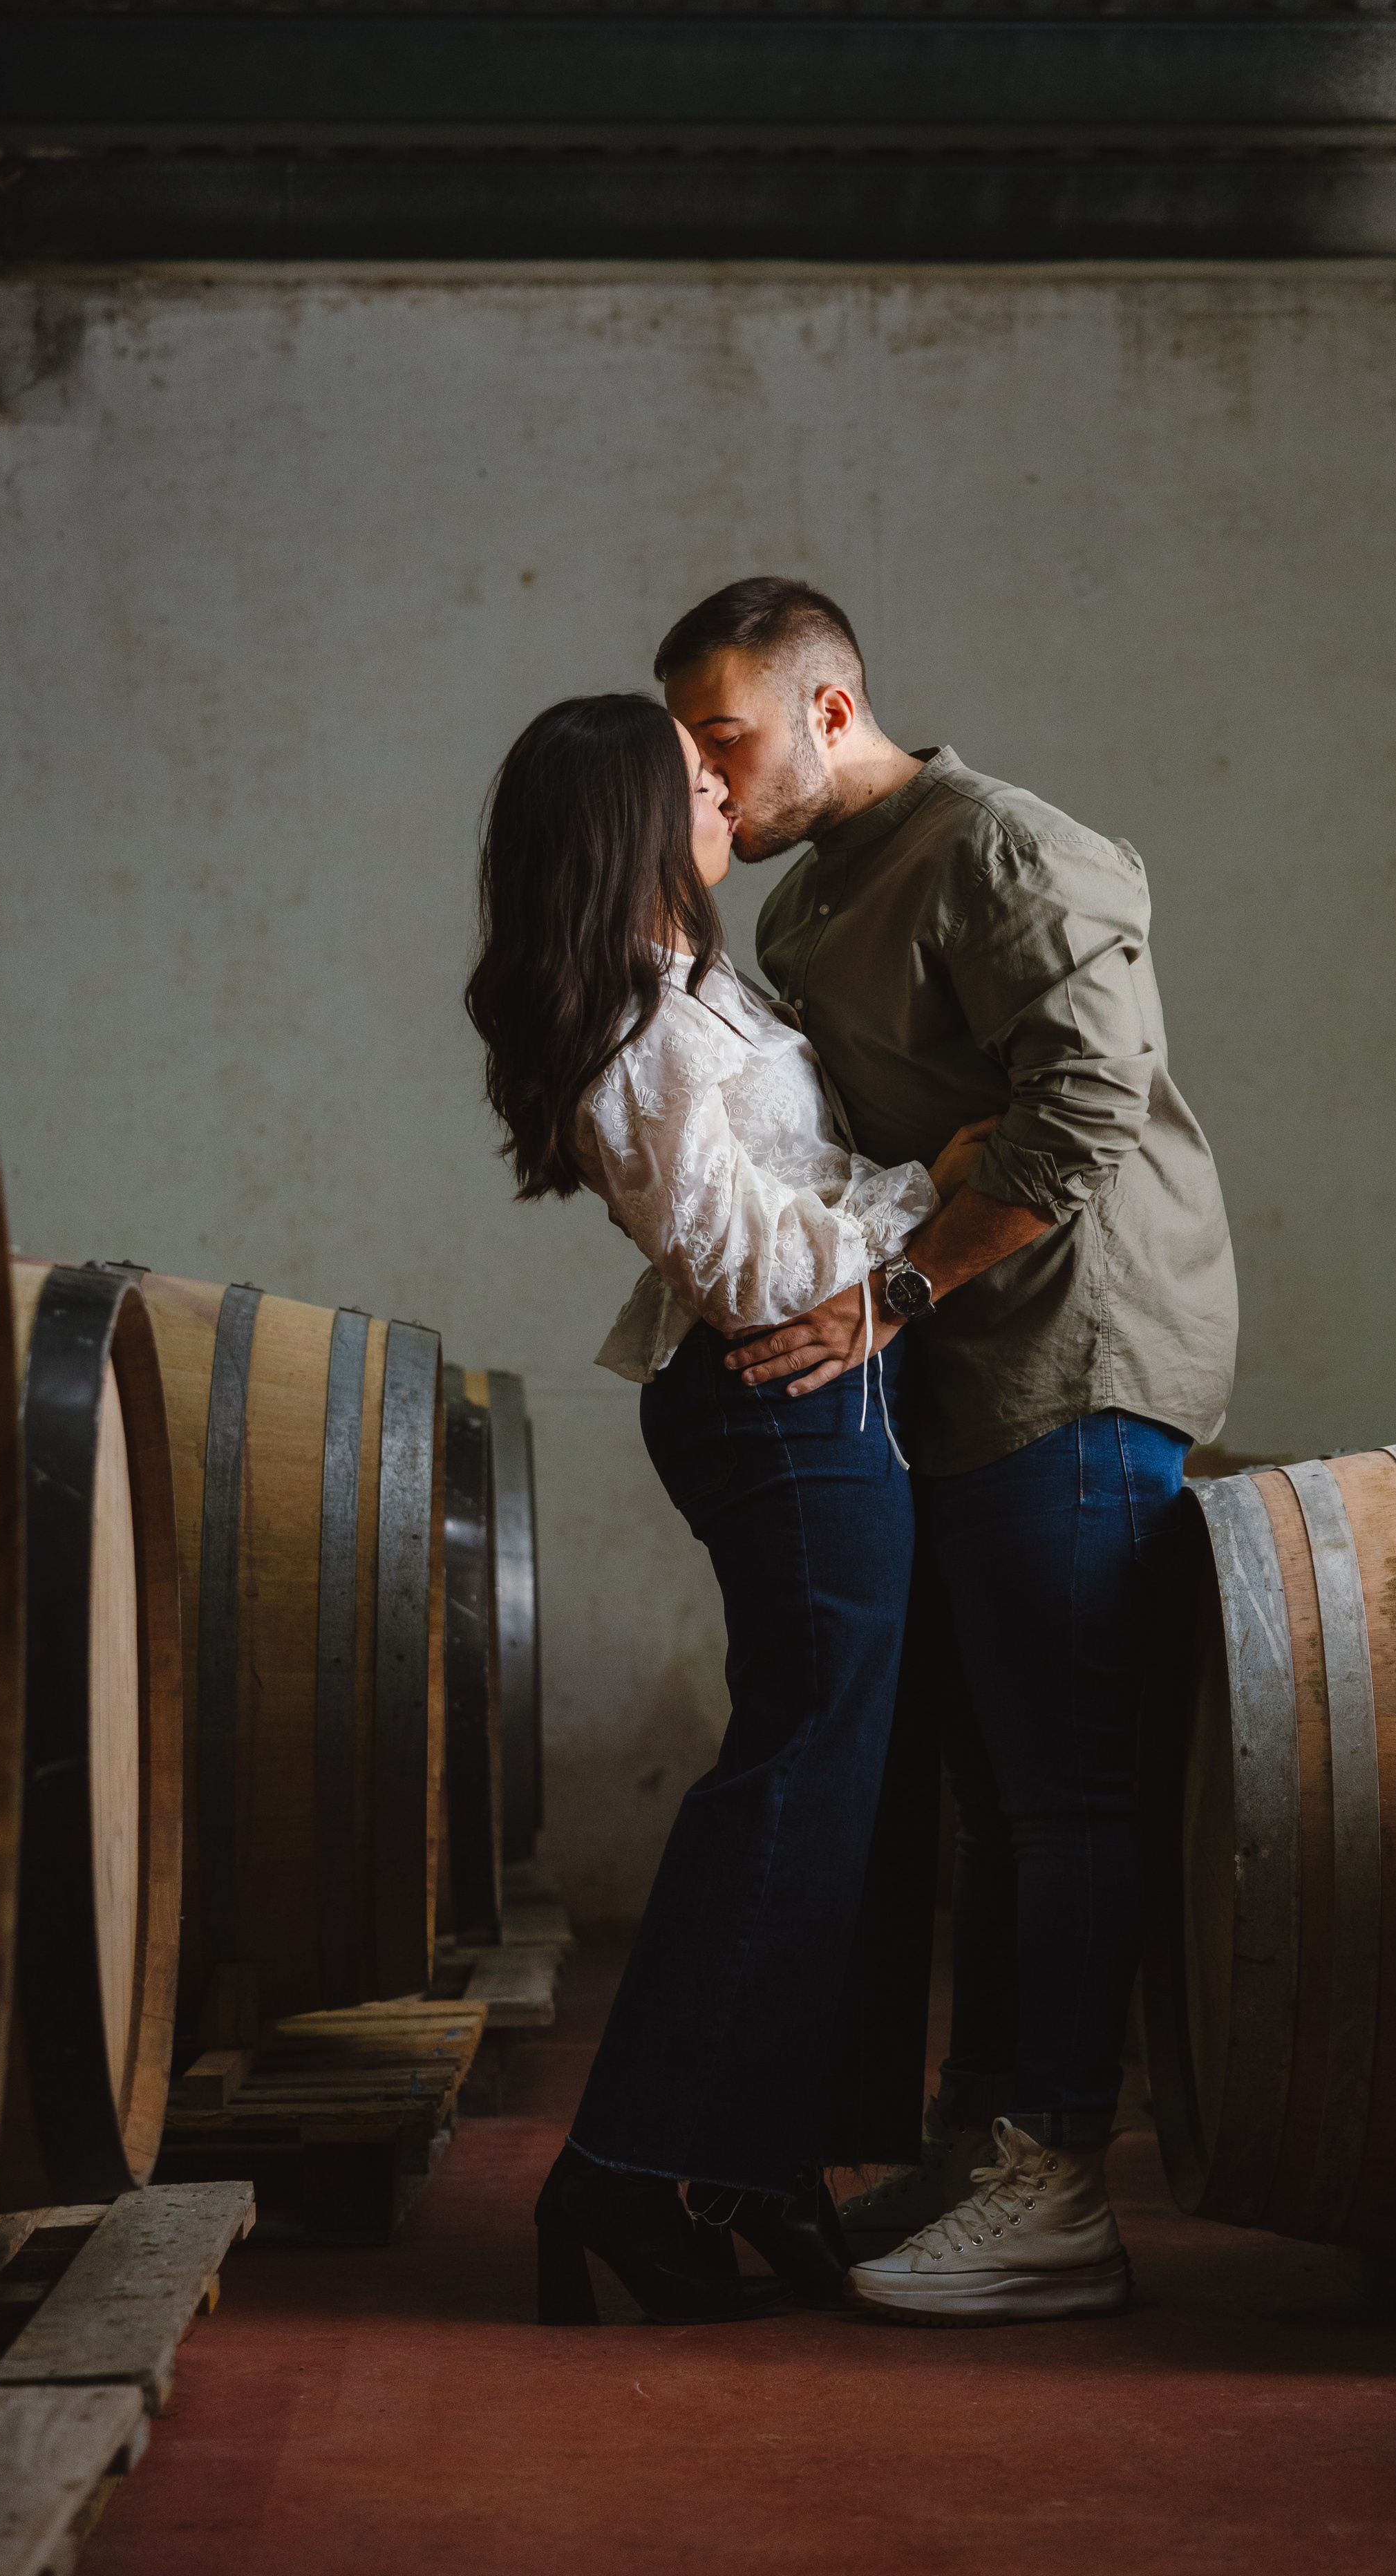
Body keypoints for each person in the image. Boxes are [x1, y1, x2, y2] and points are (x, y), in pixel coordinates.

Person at [656, 576, 1238, 2326]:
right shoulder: (820, 886)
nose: (703, 775)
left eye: (723, 737)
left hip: (1072, 1349)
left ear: (830, 711)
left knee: (1061, 1787)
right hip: (959, 1362)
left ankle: (1061, 2183)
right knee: (993, 1795)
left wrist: (894, 1292)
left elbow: (1086, 1102)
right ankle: (992, 2140)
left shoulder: (999, 846)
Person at [464, 691, 992, 2326]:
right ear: (630, 817)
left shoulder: (697, 986)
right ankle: (623, 2169)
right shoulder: (633, 1017)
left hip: (813, 1401)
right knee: (792, 1777)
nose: (724, 794)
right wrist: (936, 1184)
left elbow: (776, 1211)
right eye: (692, 780)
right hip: (773, 1403)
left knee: (844, 1780)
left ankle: (750, 2161)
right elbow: (748, 1265)